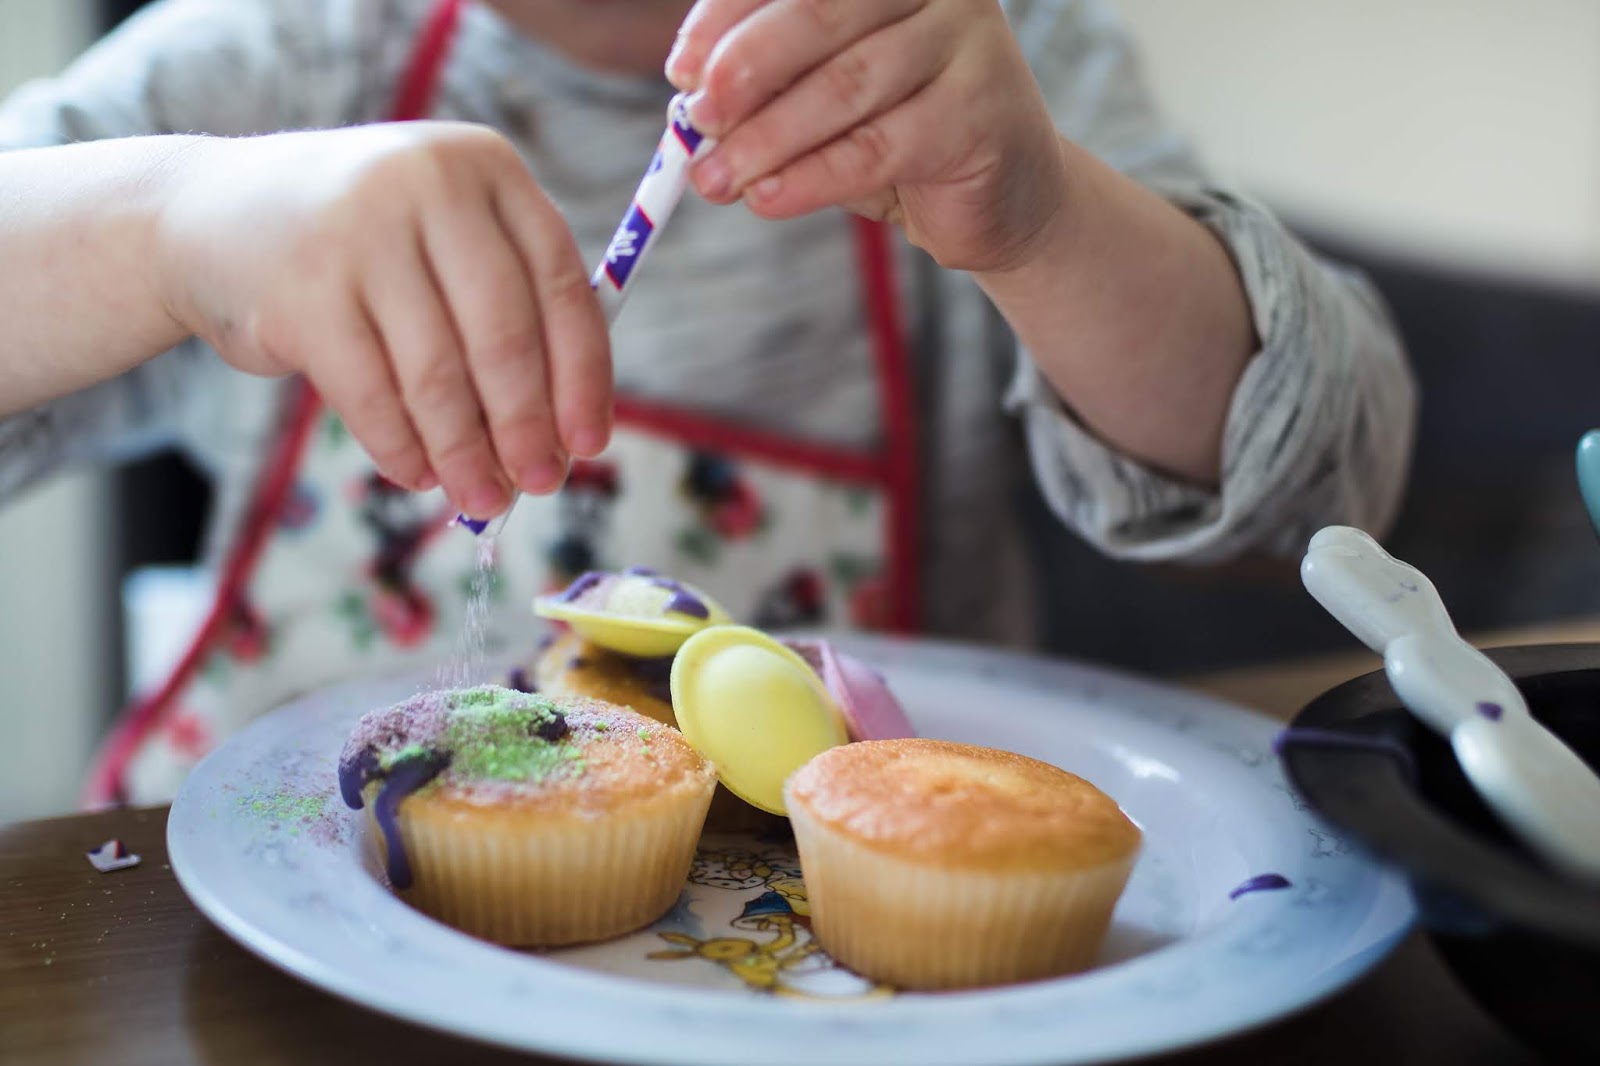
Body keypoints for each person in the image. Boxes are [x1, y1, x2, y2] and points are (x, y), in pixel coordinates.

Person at [0, 0, 1415, 804]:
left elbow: (1317, 492)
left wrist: (1042, 217)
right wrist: (164, 225)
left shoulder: (972, 59)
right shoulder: (267, 62)